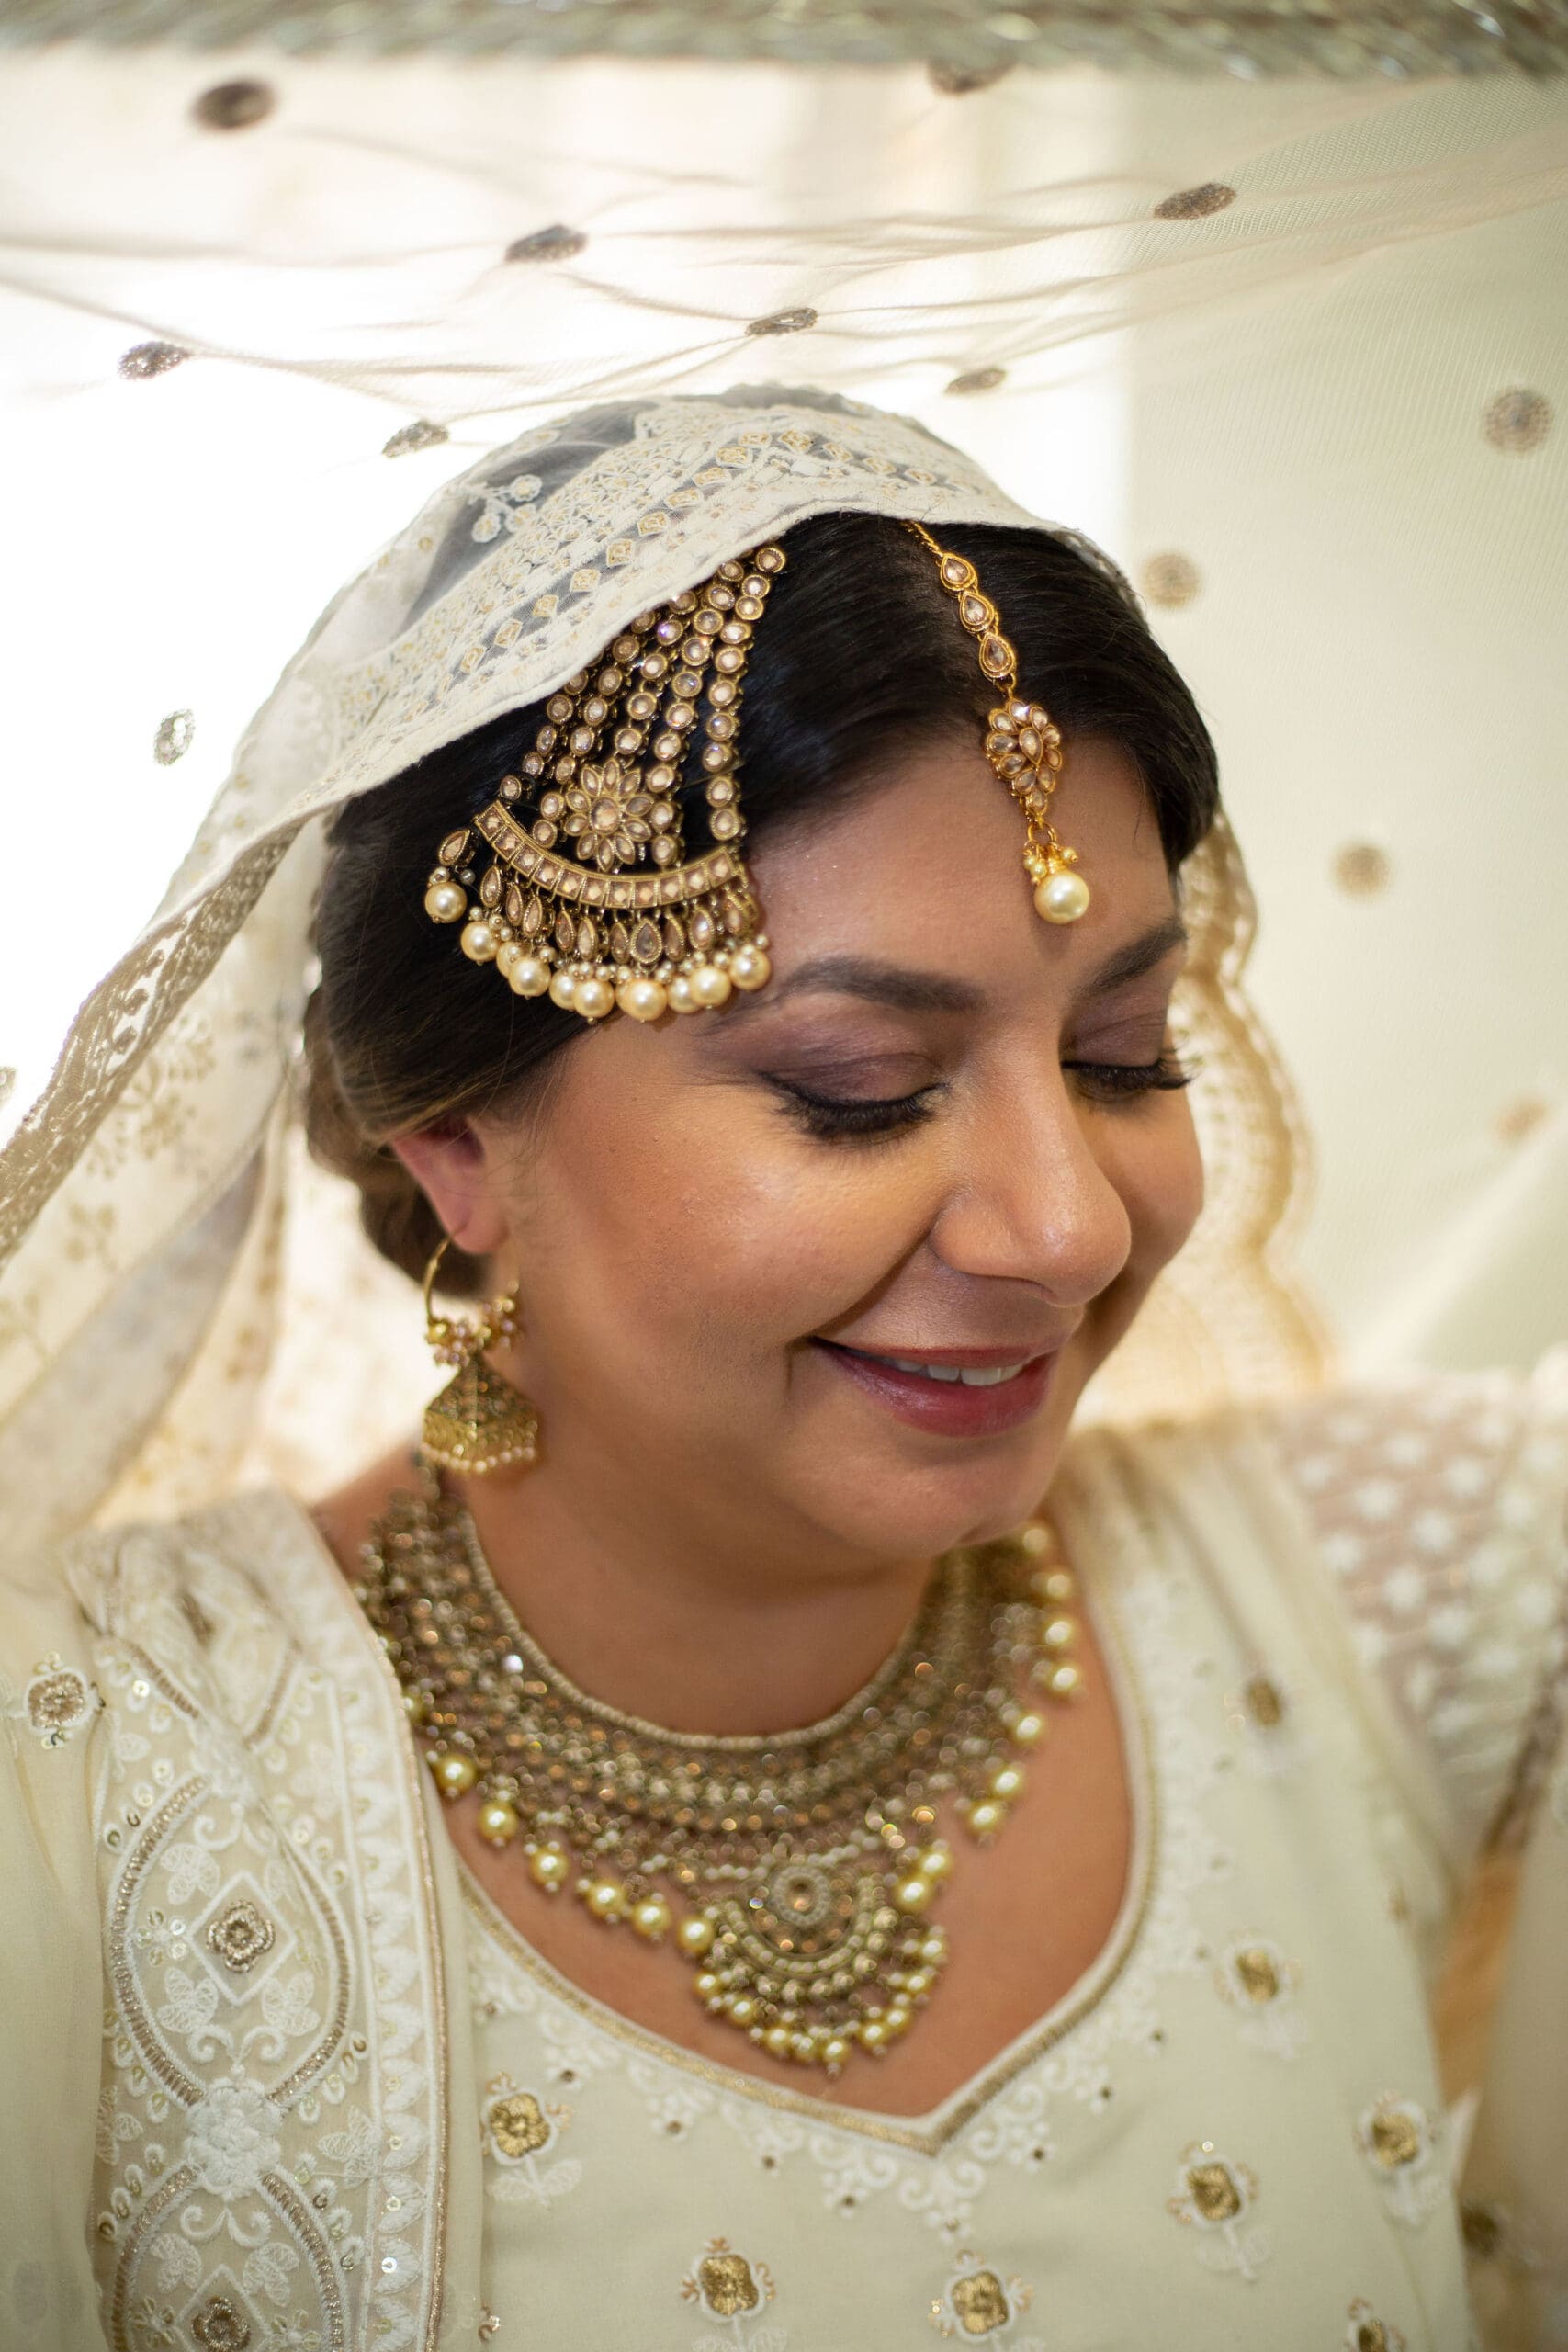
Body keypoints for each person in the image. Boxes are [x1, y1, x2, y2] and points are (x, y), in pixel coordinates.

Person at [0, 389, 1562, 2352]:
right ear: (455, 1140)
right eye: (859, 1087)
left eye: (1124, 1056)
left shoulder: (1384, 1595)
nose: (1067, 1227)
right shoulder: (75, 1786)